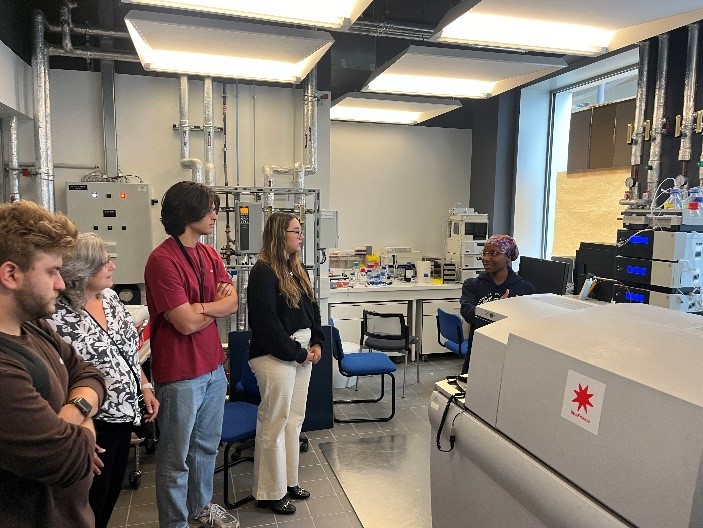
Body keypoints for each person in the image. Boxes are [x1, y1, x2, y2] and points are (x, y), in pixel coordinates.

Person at [0, 200, 107, 528]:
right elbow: (67, 459)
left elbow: (91, 374)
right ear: (10, 274)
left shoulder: (32, 325)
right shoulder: (4, 369)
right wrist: (84, 426)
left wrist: (71, 416)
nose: (61, 284)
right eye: (51, 272)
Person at [46, 233, 159, 528]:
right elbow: (57, 379)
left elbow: (127, 351)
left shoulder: (109, 298)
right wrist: (79, 432)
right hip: (94, 422)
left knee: (108, 497)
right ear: (82, 270)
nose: (113, 267)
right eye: (104, 262)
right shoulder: (56, 316)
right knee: (88, 504)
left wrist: (143, 385)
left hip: (124, 416)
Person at [144, 181, 239, 528]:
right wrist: (211, 308)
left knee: (205, 449)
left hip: (213, 368)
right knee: (175, 459)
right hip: (180, 374)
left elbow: (233, 301)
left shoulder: (209, 254)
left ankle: (201, 508)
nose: (215, 215)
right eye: (209, 208)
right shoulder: (161, 260)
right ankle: (175, 523)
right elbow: (183, 323)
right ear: (188, 212)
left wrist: (200, 307)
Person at [246, 212, 323, 515]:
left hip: (301, 353)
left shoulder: (296, 269)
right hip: (274, 356)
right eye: (296, 231)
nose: (300, 236)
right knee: (274, 422)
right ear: (280, 234)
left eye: (301, 231)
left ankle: (288, 481)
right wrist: (298, 352)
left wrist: (316, 342)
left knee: (294, 420)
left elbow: (313, 310)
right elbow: (266, 324)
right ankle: (268, 492)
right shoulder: (263, 272)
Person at [459, 234, 535, 374]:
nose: (486, 258)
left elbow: (527, 327)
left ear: (508, 257)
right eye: (485, 253)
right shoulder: (472, 285)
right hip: (478, 354)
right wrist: (497, 308)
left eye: (494, 253)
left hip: (510, 356)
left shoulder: (525, 289)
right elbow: (468, 314)